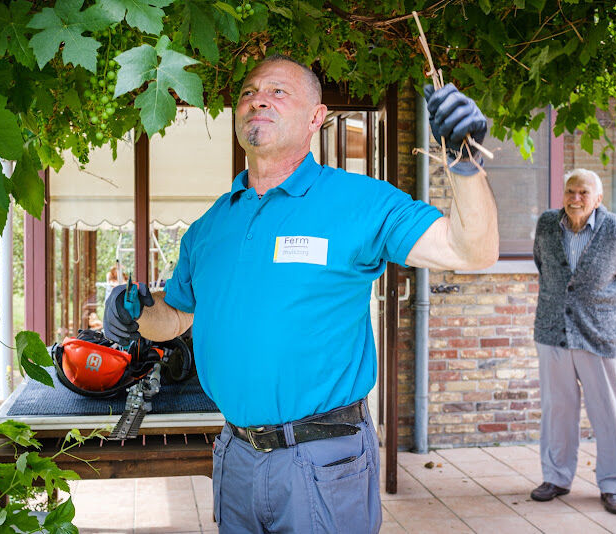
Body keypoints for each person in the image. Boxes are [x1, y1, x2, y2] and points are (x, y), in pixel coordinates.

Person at [104, 55, 498, 533]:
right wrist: (134, 314)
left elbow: (471, 250)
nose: (258, 100)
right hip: (235, 452)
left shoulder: (361, 200)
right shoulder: (210, 227)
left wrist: (465, 163)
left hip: (322, 458)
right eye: (248, 92)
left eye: (278, 91)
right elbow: (177, 317)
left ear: (317, 117)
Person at [530, 168, 616, 515]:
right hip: (552, 332)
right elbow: (543, 267)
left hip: (599, 335)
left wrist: (606, 320)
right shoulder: (547, 224)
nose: (576, 198)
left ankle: (613, 484)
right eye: (570, 191)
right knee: (557, 410)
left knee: (606, 411)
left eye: (584, 193)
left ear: (598, 199)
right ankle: (556, 477)